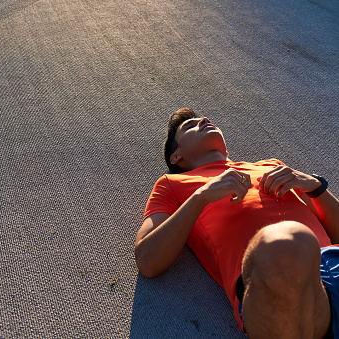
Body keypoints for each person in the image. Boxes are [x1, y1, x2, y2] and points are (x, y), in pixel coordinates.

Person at [135, 108, 339, 338]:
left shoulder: (271, 165)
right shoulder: (172, 183)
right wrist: (201, 196)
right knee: (288, 240)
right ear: (177, 157)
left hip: (331, 260)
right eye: (190, 126)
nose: (203, 119)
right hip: (270, 280)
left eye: (205, 118)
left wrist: (315, 186)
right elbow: (147, 259)